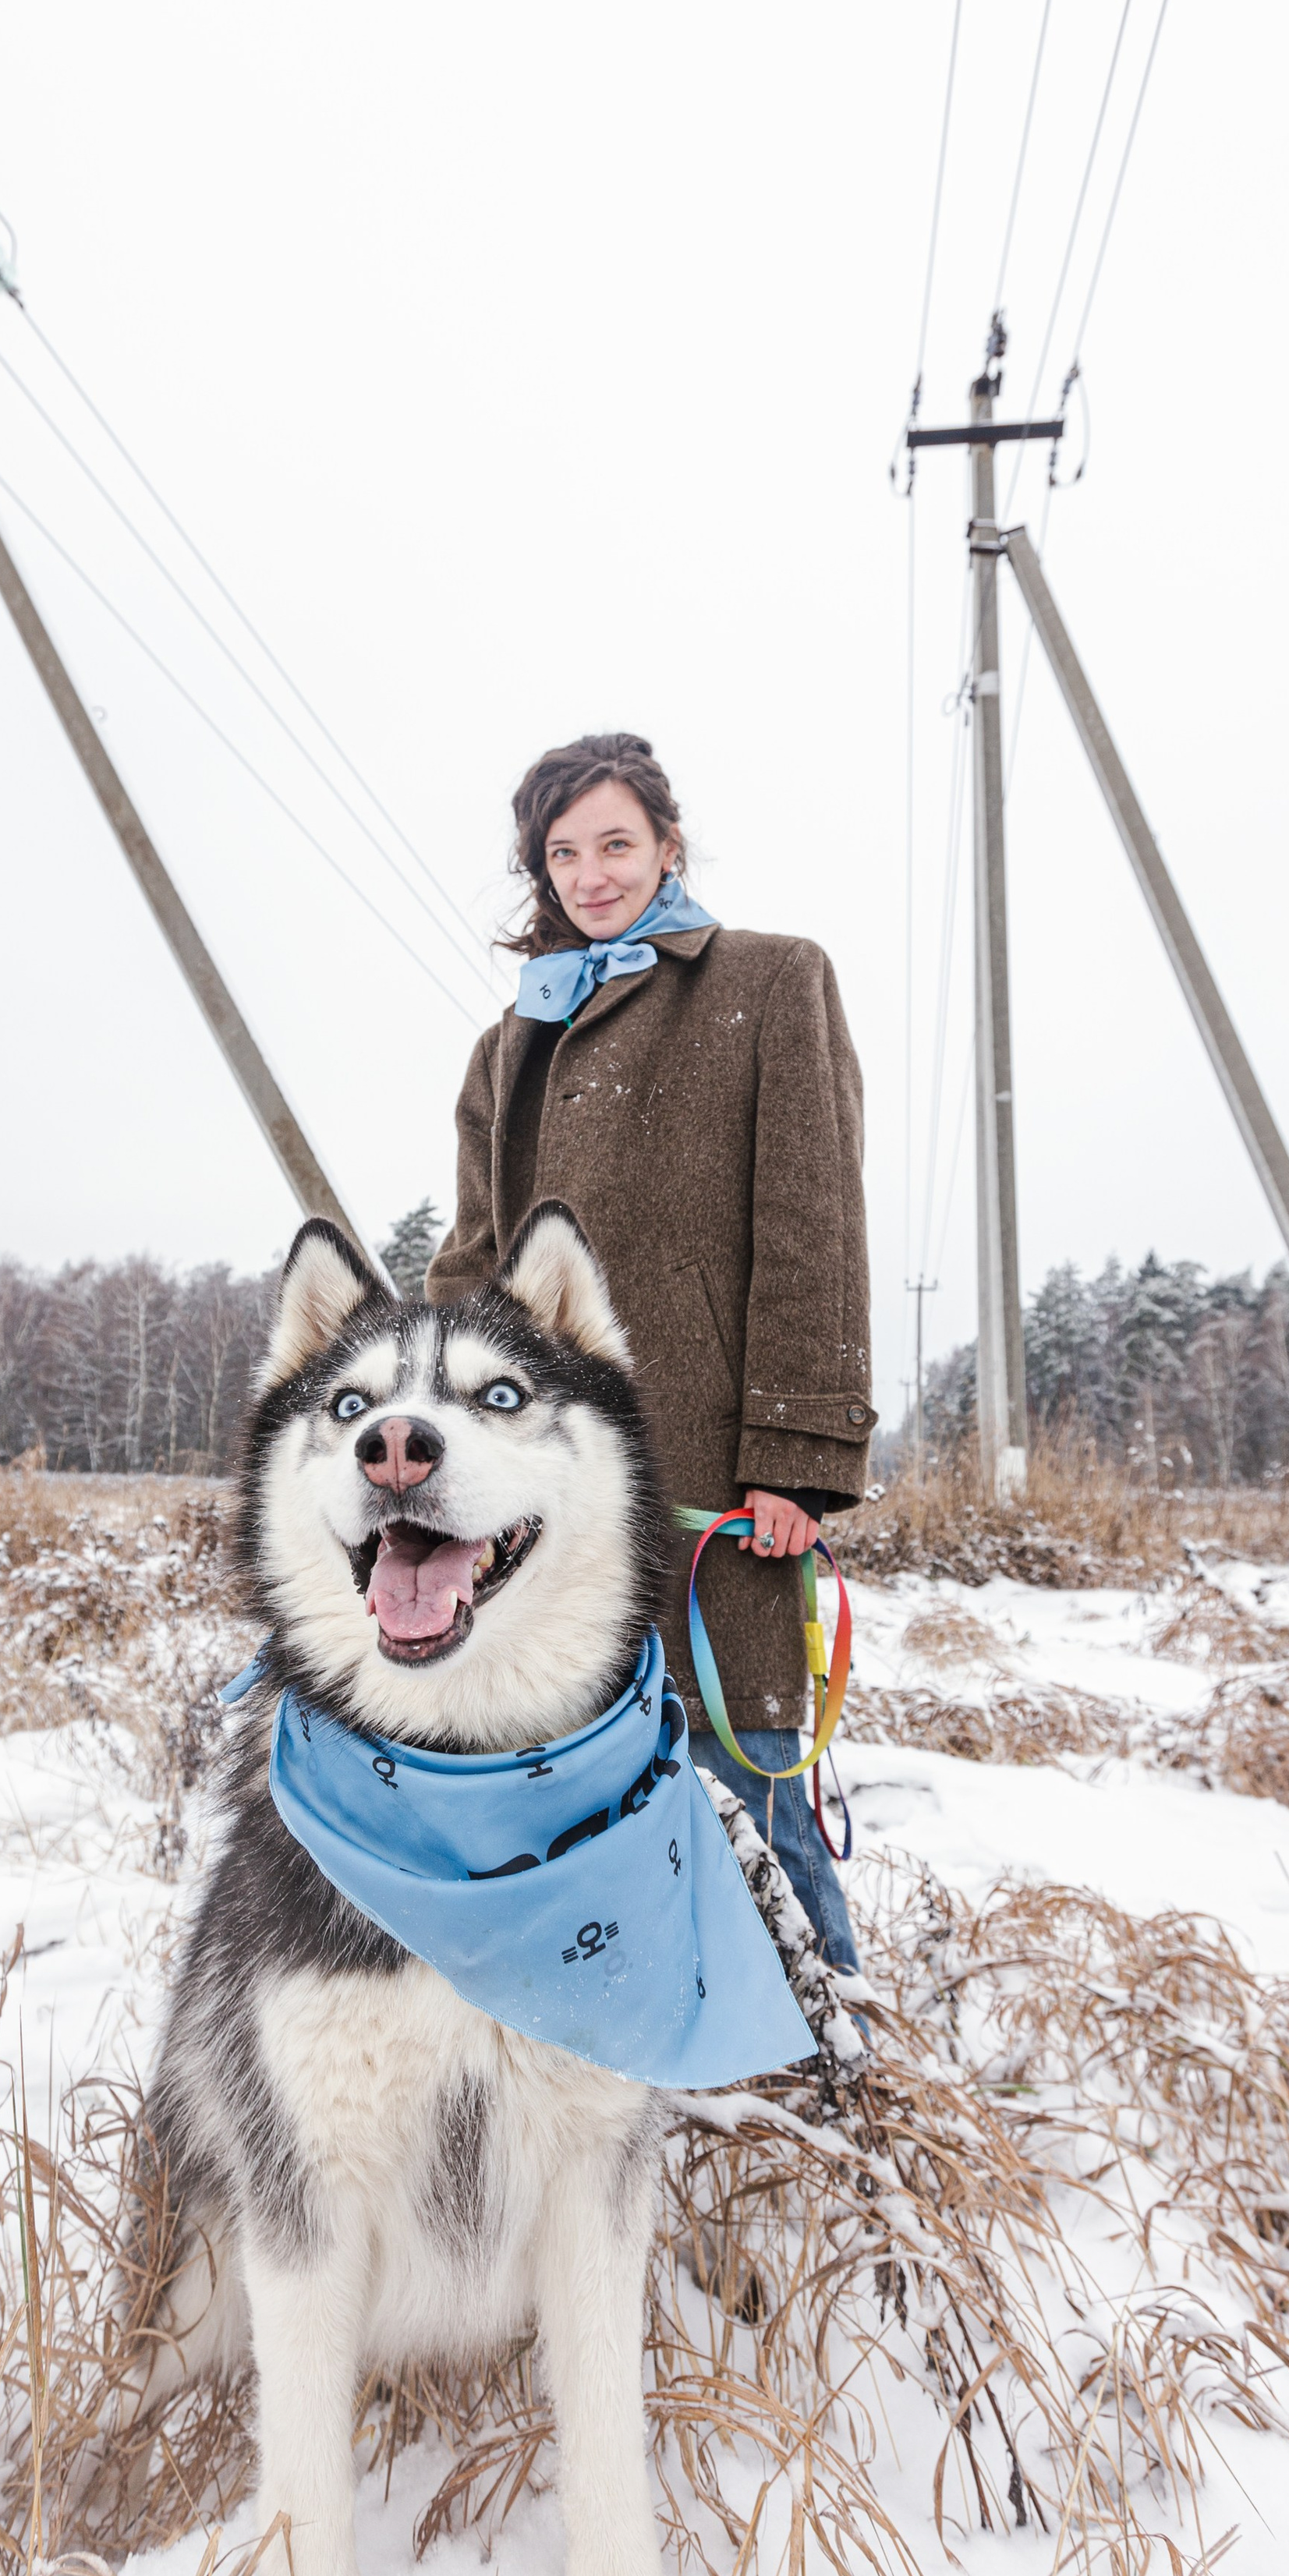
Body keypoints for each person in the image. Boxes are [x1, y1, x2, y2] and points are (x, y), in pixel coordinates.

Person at [426, 732, 876, 1971]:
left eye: (616, 842)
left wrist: (797, 1455)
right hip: (546, 1500)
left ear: (669, 846)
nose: (592, 873)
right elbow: (471, 1266)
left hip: (712, 1476)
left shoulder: (771, 981)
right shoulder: (509, 1045)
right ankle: (639, 2047)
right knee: (575, 1796)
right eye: (563, 853)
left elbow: (813, 1225)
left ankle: (841, 2052)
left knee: (746, 1782)